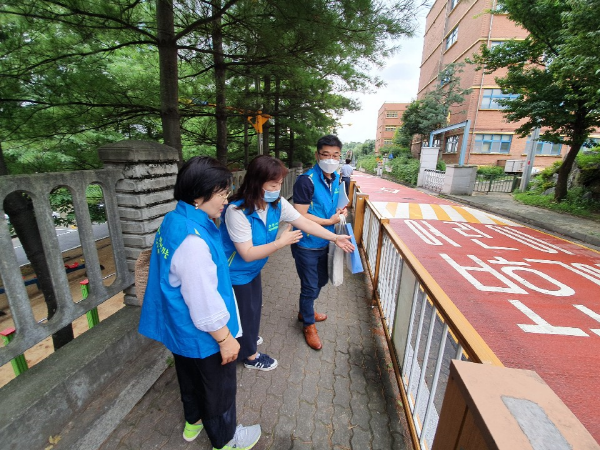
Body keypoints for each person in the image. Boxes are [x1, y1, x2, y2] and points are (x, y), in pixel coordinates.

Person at [138, 156, 261, 450]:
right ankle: (225, 439)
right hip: (203, 332)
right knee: (218, 388)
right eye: (220, 192)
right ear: (198, 194)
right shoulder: (193, 240)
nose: (226, 198)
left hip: (179, 327)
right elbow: (203, 300)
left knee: (189, 377)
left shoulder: (174, 219)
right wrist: (225, 338)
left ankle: (193, 422)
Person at [220, 155, 354, 363]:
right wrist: (281, 242)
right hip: (236, 272)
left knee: (253, 307)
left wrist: (335, 237)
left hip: (254, 268)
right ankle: (250, 356)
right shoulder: (237, 211)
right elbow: (246, 253)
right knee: (245, 310)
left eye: (280, 184)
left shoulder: (276, 204)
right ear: (256, 182)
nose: (277, 189)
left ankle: (248, 338)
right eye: (273, 184)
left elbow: (304, 222)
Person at [292, 134, 351, 351]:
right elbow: (299, 214)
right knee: (309, 286)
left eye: (335, 155)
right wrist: (328, 221)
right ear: (317, 155)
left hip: (326, 241)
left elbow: (334, 204)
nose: (331, 159)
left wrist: (340, 211)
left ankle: (304, 310)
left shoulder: (336, 178)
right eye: (325, 154)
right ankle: (308, 324)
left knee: (322, 281)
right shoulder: (305, 181)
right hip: (307, 243)